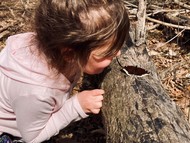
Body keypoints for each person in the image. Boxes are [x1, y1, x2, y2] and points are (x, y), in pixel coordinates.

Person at [0, 0, 130, 142]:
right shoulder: (38, 92)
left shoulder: (56, 49)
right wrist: (76, 107)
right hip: (10, 133)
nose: (117, 54)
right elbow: (32, 138)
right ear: (70, 54)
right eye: (107, 53)